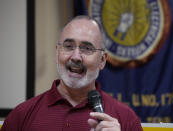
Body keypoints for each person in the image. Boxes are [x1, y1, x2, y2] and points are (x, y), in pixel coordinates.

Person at [1, 15, 143, 131]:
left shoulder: (126, 120)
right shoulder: (21, 116)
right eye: (68, 46)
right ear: (57, 53)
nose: (75, 57)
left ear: (102, 60)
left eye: (87, 48)